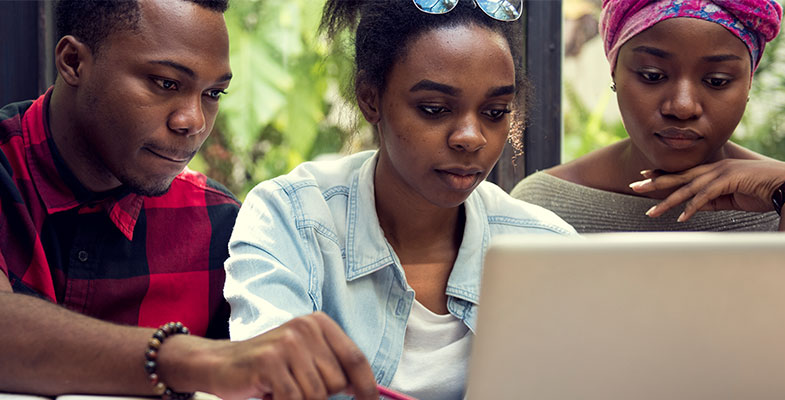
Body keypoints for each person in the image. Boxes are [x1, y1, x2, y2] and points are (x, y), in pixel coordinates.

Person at [0, 1, 378, 399]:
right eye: (166, 83)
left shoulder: (221, 229)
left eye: (213, 93)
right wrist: (191, 360)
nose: (194, 121)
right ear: (73, 61)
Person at [223, 1, 576, 399]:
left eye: (495, 112)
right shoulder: (292, 219)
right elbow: (267, 384)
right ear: (370, 98)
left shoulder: (548, 248)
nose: (471, 137)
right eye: (435, 109)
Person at [511, 0, 785, 232]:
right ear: (614, 72)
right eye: (652, 75)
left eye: (717, 81)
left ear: (748, 82)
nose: (682, 107)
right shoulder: (541, 207)